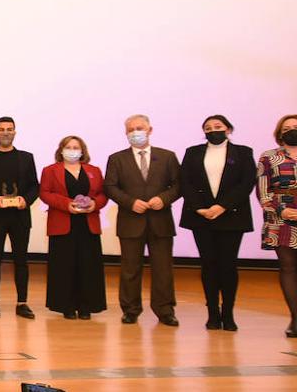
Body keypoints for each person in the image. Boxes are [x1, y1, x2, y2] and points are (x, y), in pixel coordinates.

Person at [179, 115, 256, 331]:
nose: (213, 130)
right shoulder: (192, 152)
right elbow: (185, 181)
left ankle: (228, 313)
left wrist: (222, 206)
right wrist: (199, 208)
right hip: (201, 216)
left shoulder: (243, 152)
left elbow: (246, 182)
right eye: (208, 128)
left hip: (231, 216)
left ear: (228, 129)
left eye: (218, 126)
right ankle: (212, 313)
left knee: (228, 265)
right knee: (208, 264)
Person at [104, 114, 182, 326]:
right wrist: (130, 202)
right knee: (130, 269)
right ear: (126, 133)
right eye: (131, 129)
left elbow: (178, 185)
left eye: (140, 128)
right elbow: (110, 187)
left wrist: (163, 199)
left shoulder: (167, 156)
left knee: (163, 269)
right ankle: (130, 309)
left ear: (150, 130)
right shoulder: (117, 158)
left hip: (161, 221)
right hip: (130, 221)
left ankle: (165, 310)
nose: (135, 132)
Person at [0, 117, 40, 319]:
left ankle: (22, 303)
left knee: (21, 259)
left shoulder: (26, 158)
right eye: (2, 129)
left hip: (20, 216)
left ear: (15, 132)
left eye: (9, 129)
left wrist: (26, 199)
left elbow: (34, 186)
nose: (6, 132)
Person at [40, 136, 108, 320]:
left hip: (88, 224)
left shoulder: (94, 170)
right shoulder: (50, 170)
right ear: (61, 150)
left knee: (89, 265)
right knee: (63, 265)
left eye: (76, 147)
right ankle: (66, 306)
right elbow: (45, 193)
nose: (72, 150)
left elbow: (103, 194)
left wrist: (94, 204)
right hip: (62, 223)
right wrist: (67, 204)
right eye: (68, 147)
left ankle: (87, 306)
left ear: (82, 150)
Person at [256, 114, 297, 339]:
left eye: (295, 127)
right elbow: (263, 190)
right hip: (280, 218)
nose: (291, 130)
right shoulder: (269, 157)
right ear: (279, 133)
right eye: (287, 127)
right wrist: (280, 210)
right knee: (288, 268)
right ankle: (295, 318)